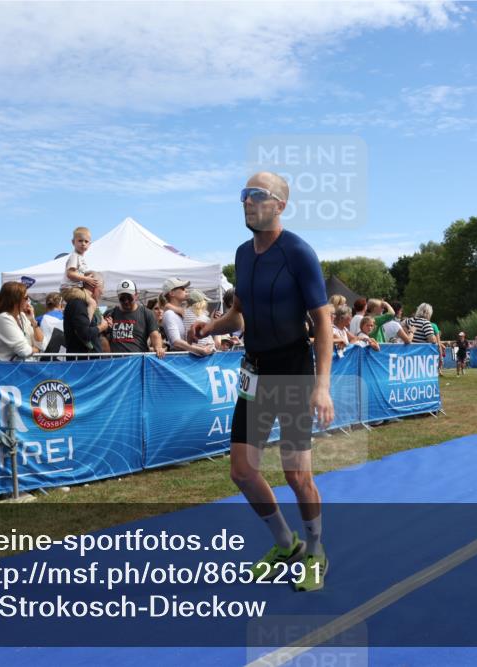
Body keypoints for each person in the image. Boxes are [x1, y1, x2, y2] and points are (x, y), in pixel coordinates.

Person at [192, 171, 332, 592]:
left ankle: (315, 550)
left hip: (292, 370)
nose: (247, 202)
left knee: (296, 475)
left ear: (280, 205)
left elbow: (323, 323)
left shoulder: (298, 253)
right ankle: (285, 543)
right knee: (242, 471)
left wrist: (322, 386)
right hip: (255, 369)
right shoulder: (241, 254)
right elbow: (240, 312)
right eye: (244, 195)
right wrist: (211, 327)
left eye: (257, 195)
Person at [107, 279, 165, 357]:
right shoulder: (110, 313)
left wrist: (158, 347)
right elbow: (102, 337)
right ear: (118, 297)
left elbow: (155, 335)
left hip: (138, 363)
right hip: (117, 364)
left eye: (129, 298)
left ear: (136, 295)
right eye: (122, 298)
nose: (126, 301)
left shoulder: (146, 313)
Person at [161, 278, 212, 356]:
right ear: (171, 293)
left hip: (190, 359)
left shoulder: (184, 312)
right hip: (180, 361)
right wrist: (200, 350)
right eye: (182, 288)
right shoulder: (169, 313)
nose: (186, 290)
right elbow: (176, 342)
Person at [0, 282, 41, 361]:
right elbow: (24, 351)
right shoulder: (2, 317)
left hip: (22, 369)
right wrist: (37, 350)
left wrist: (33, 321)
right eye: (26, 298)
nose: (28, 301)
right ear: (15, 300)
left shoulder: (22, 316)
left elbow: (42, 344)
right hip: (6, 370)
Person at [62, 277, 111, 357]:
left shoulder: (88, 304)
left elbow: (92, 330)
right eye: (101, 288)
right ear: (94, 286)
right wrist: (101, 327)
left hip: (90, 359)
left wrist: (106, 326)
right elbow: (85, 333)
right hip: (83, 362)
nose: (102, 292)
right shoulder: (78, 304)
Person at [61, 226, 99, 290]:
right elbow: (70, 274)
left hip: (75, 288)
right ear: (73, 242)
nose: (83, 244)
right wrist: (86, 279)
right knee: (91, 300)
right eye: (80, 241)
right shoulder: (74, 256)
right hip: (70, 288)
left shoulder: (80, 258)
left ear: (90, 244)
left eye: (86, 241)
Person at [40, 292, 67, 357]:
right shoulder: (67, 319)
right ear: (61, 304)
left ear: (46, 305)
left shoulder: (37, 320)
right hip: (63, 356)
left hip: (42, 357)